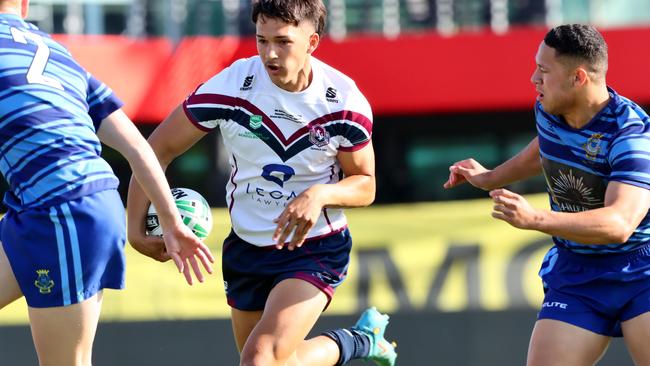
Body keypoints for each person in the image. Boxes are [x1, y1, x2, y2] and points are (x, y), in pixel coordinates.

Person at [126, 0, 396, 365]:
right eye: (261, 40)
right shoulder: (233, 86)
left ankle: (359, 341)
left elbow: (365, 184)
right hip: (246, 248)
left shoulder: (343, 102)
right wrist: (134, 228)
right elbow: (155, 150)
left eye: (283, 42)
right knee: (275, 362)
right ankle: (360, 341)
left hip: (313, 248)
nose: (270, 53)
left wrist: (320, 194)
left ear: (312, 42)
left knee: (259, 358)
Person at [0, 1, 214, 365]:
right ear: (24, 5)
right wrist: (171, 222)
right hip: (56, 207)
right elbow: (138, 149)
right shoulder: (57, 52)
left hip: (66, 214)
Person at [444, 24, 650, 365]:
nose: (533, 79)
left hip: (640, 271)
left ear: (578, 78)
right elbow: (545, 149)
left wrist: (535, 217)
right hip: (577, 270)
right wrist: (489, 177)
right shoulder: (550, 109)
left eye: (543, 70)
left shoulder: (632, 138)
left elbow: (619, 223)